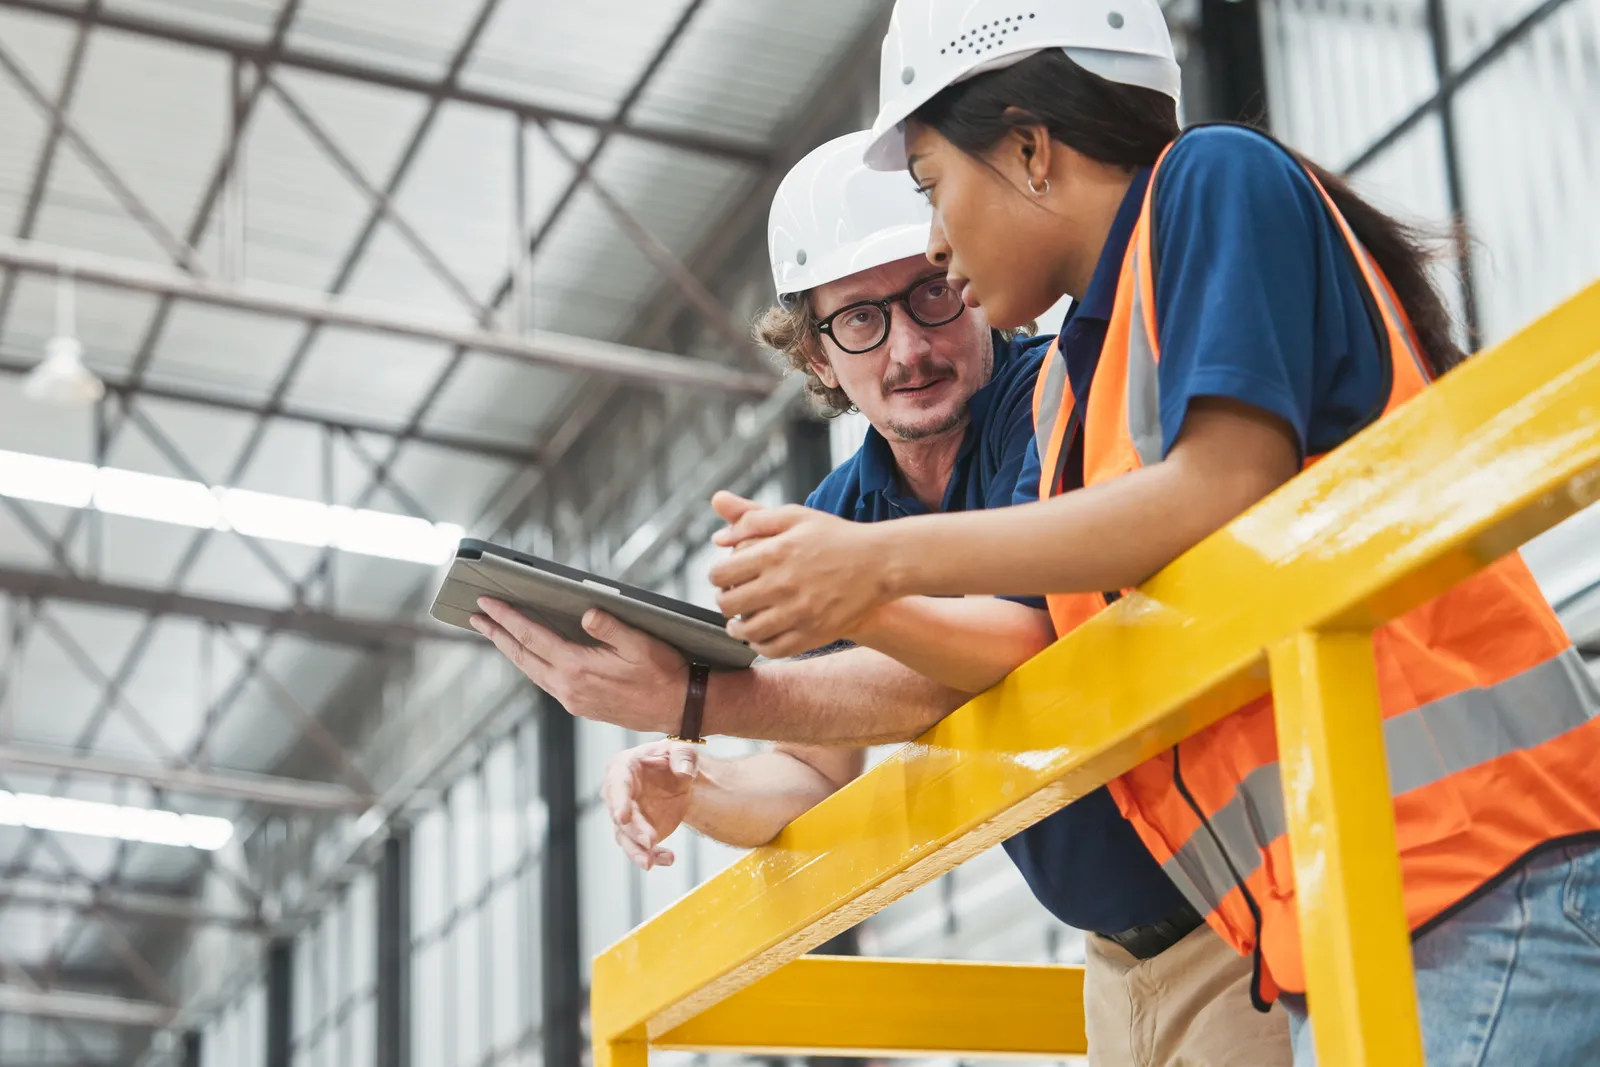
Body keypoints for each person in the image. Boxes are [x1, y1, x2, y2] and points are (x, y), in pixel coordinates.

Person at [705, 2, 1600, 1065]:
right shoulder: (1075, 396)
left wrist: (877, 569)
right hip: (1337, 917)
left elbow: (1221, 486)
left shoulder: (1213, 179)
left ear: (1030, 148)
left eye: (935, 188)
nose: (938, 242)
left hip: (1480, 867)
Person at [470, 130, 1293, 1067]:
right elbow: (814, 770)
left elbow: (1020, 646)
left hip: (1240, 916)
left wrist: (704, 692)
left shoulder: (1060, 402)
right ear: (817, 357)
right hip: (1117, 963)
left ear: (967, 270)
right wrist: (695, 778)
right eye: (860, 320)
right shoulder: (840, 514)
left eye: (930, 296)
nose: (909, 347)